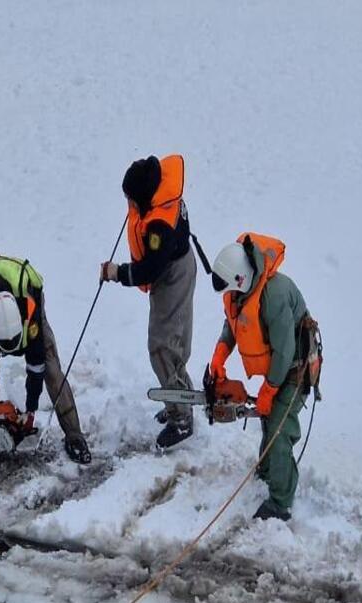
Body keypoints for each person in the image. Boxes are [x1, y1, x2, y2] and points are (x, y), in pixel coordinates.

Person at [207, 232, 318, 521]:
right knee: (269, 420)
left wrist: (269, 391)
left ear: (241, 278)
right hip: (280, 366)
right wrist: (220, 354)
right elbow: (233, 324)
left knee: (279, 428)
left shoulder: (275, 295)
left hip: (296, 367)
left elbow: (284, 351)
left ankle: (281, 503)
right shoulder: (240, 292)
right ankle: (268, 471)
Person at [0, 253, 92, 464]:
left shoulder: (31, 311)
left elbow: (36, 364)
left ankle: (74, 435)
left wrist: (30, 409)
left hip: (29, 303)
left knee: (52, 372)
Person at [98, 154, 197, 449]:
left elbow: (149, 270)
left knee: (162, 345)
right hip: (178, 265)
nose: (129, 204)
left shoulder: (159, 228)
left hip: (172, 275)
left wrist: (116, 272)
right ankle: (178, 399)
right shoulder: (157, 193)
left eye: (131, 200)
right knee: (172, 341)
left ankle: (181, 418)